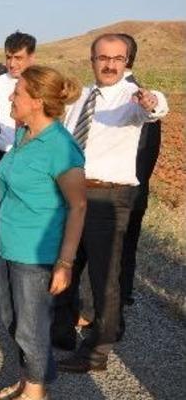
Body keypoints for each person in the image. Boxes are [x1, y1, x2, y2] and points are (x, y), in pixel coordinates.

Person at [53, 33, 169, 373]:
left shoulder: (130, 98)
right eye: (103, 57)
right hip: (72, 194)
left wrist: (150, 102)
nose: (109, 64)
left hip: (107, 198)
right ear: (92, 60)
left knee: (105, 276)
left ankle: (97, 351)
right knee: (66, 264)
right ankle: (61, 333)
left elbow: (157, 108)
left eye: (117, 58)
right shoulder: (83, 97)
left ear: (127, 62)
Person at [0, 65, 86, 400]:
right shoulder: (22, 134)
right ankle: (31, 378)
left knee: (31, 329)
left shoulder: (60, 146)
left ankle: (35, 392)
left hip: (37, 253)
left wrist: (66, 262)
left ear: (37, 100)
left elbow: (78, 206)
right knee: (14, 321)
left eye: (18, 92)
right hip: (8, 245)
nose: (12, 97)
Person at [0, 31, 37, 303]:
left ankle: (22, 288)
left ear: (31, 57)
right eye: (9, 57)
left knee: (23, 223)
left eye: (19, 58)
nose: (13, 63)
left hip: (30, 162)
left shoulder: (41, 84)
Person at [118, 33, 162, 307]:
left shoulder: (136, 99)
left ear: (126, 59)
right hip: (136, 190)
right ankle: (123, 294)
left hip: (123, 191)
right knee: (126, 248)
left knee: (114, 251)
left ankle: (114, 302)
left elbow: (143, 152)